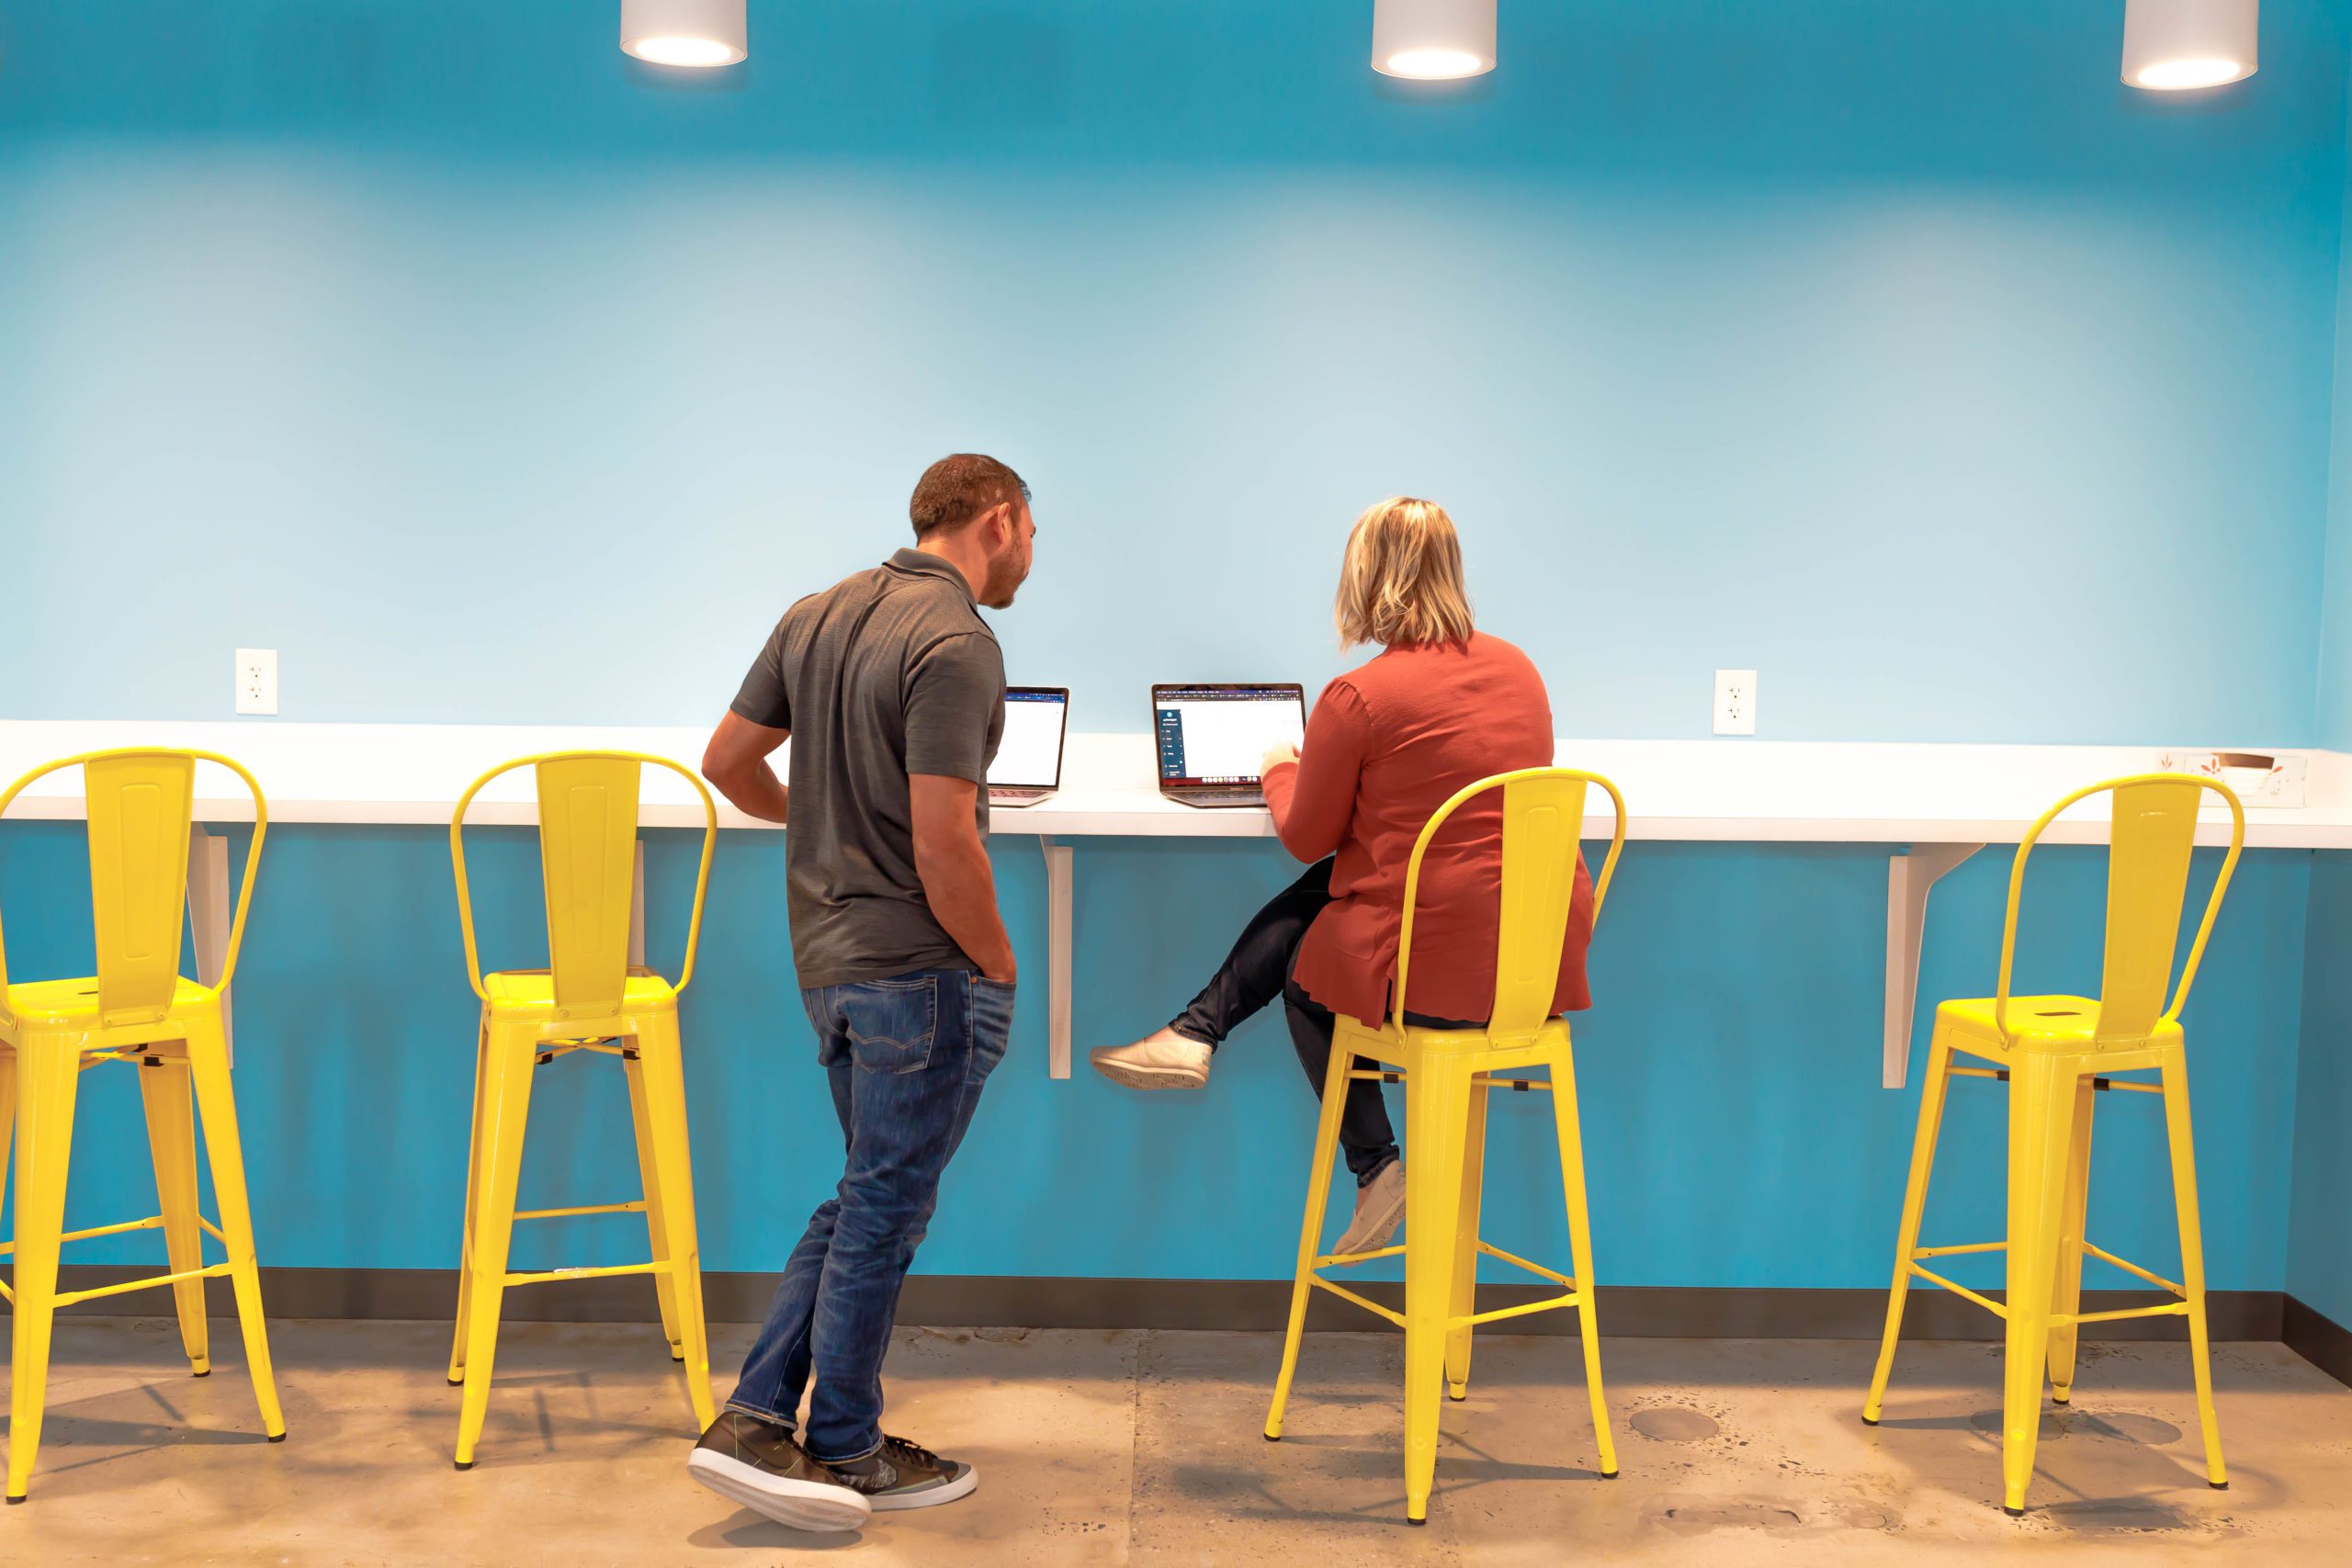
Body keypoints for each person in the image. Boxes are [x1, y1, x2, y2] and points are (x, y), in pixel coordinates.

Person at [1089, 496, 1595, 1258]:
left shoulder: (1360, 696)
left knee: (1309, 967)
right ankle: (1195, 1034)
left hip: (1438, 967)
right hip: (1532, 956)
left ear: (1367, 578)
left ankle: (1371, 1161)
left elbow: (1303, 834)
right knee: (1334, 890)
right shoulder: (1520, 670)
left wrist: (1279, 768)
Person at [687, 454, 1035, 1532]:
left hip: (828, 966)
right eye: (1029, 534)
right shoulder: (958, 640)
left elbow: (728, 761)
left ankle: (755, 1416)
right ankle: (844, 1445)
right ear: (1000, 519)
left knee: (864, 1196)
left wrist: (824, 829)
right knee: (884, 1208)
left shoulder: (817, 613)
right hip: (916, 972)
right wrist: (998, 961)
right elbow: (944, 839)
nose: (1028, 555)